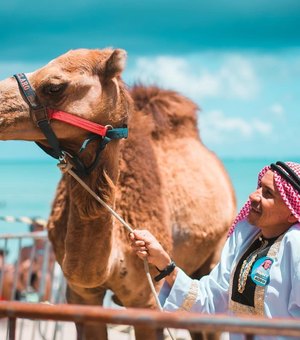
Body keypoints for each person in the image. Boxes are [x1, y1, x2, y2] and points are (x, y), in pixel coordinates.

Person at [130, 161, 300, 339]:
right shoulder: (245, 236)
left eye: (268, 193)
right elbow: (210, 300)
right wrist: (163, 262)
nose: (253, 196)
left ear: (292, 212)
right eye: (258, 187)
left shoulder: (295, 244)